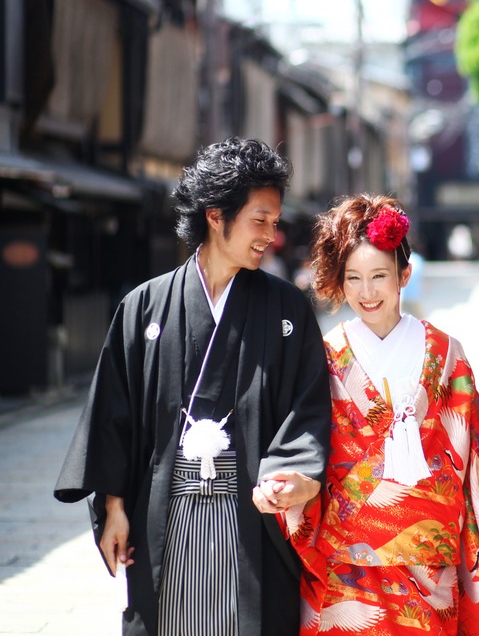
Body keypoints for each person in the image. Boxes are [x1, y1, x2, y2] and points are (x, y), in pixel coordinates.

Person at [54, 137, 332, 636]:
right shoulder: (144, 307)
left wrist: (295, 473)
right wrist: (113, 508)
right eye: (260, 220)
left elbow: (307, 408)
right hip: (167, 513)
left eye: (275, 222)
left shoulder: (288, 309)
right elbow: (113, 412)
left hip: (253, 514)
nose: (271, 235)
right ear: (215, 215)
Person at [283, 193, 479, 635]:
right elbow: (303, 440)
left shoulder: (445, 353)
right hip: (347, 557)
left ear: (404, 274)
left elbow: (477, 436)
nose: (367, 292)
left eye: (379, 276)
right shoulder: (325, 355)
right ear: (339, 282)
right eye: (354, 278)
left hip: (429, 561)